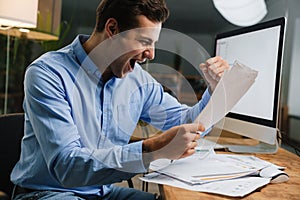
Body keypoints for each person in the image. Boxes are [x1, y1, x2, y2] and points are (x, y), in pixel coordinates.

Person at [11, 0, 229, 199]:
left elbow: (190, 122)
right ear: (112, 29)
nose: (151, 55)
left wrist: (214, 90)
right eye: (144, 41)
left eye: (154, 43)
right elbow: (68, 168)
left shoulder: (139, 81)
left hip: (102, 192)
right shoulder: (48, 73)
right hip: (48, 193)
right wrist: (153, 149)